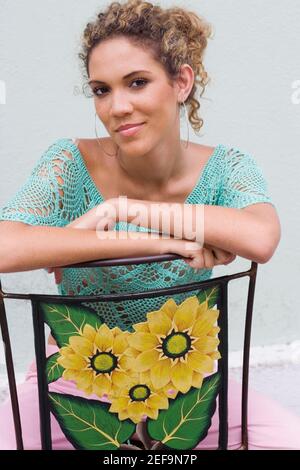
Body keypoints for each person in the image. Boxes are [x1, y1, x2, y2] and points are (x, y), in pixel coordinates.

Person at [0, 0, 298, 451]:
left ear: (181, 81)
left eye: (137, 82)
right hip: (81, 376)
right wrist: (158, 238)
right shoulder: (68, 163)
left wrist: (126, 208)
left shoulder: (226, 167)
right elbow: (5, 246)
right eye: (101, 90)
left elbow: (261, 236)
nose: (117, 106)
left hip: (185, 381)